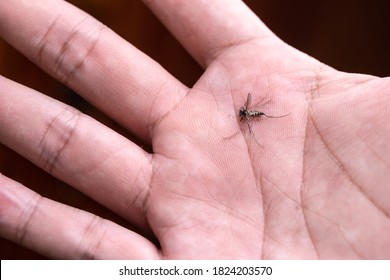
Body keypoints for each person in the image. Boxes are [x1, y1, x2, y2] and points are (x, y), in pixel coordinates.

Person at [0, 0, 389, 259]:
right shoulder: (244, 113)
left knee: (260, 119)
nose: (245, 116)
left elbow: (249, 113)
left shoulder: (251, 116)